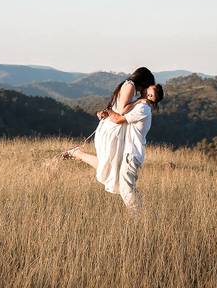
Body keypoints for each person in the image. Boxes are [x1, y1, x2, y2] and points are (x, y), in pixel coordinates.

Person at [65, 69, 163, 210]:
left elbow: (119, 116)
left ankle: (139, 215)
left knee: (123, 185)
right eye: (148, 90)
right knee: (112, 172)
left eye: (150, 95)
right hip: (124, 145)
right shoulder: (137, 98)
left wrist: (109, 111)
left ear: (153, 100)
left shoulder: (142, 107)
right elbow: (120, 110)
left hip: (131, 152)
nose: (147, 94)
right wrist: (108, 111)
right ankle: (140, 214)